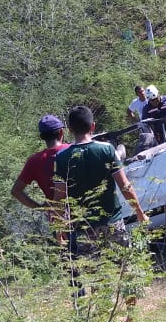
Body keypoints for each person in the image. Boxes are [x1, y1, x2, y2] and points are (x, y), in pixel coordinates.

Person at [53, 105, 149, 254]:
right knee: (122, 264)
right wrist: (139, 211)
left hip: (84, 226)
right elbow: (125, 185)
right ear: (93, 126)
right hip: (112, 221)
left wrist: (59, 227)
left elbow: (59, 198)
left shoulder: (61, 157)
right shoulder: (107, 149)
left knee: (92, 273)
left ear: (70, 130)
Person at [12, 114, 70, 210]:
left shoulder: (34, 161)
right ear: (61, 132)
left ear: (42, 137)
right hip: (83, 213)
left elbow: (16, 191)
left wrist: (40, 208)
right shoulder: (72, 150)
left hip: (56, 217)